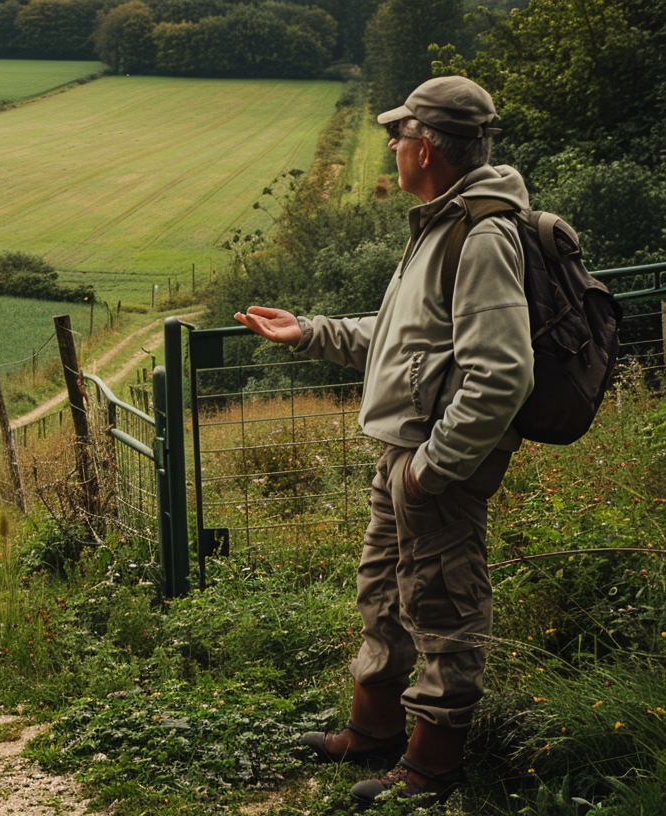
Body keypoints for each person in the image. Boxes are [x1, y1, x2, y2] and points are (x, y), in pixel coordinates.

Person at [234, 75, 532, 808]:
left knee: (443, 611)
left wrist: (431, 470)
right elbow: (400, 340)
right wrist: (310, 332)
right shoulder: (439, 223)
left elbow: (503, 373)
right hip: (405, 456)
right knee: (385, 599)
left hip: (432, 462)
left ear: (425, 146)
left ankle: (431, 768)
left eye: (397, 136)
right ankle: (374, 734)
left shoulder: (481, 234)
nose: (392, 147)